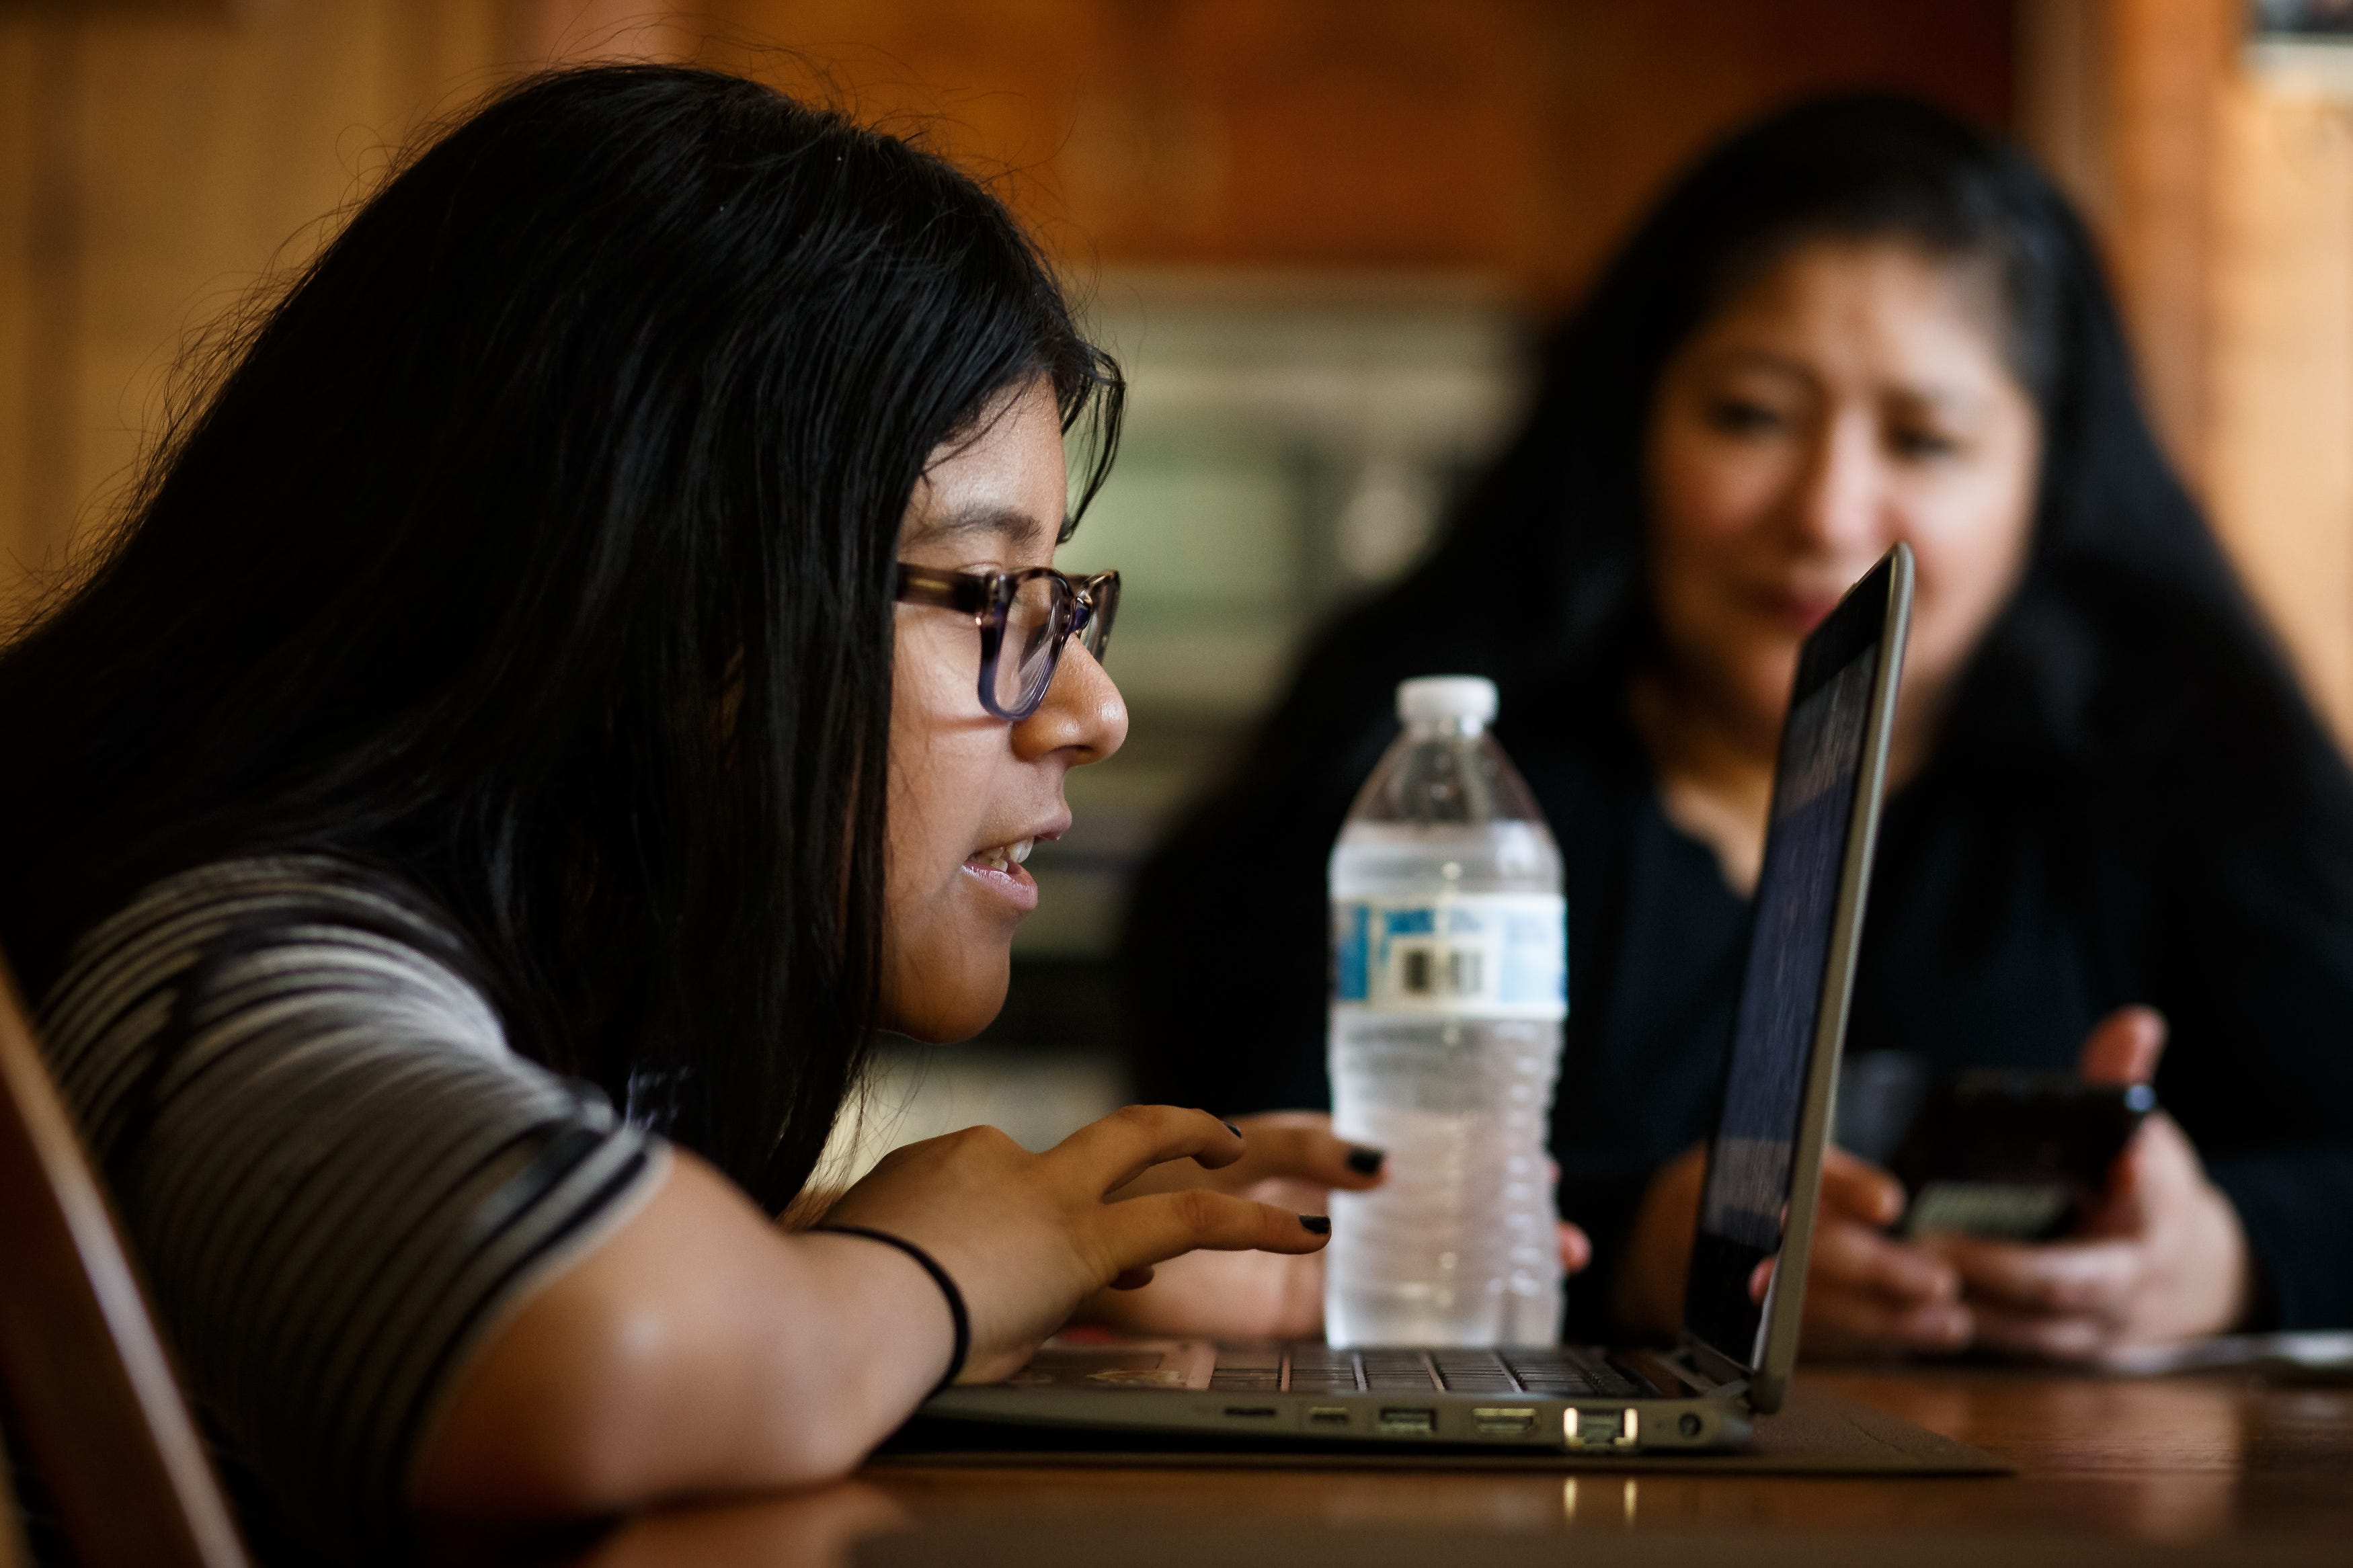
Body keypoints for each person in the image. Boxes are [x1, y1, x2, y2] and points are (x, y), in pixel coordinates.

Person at [0, 65, 1384, 1559]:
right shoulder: (221, 961)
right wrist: (941, 1272)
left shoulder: (559, 972)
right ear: (638, 596)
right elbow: (598, 1355)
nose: (1088, 708)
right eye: (993, 595)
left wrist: (1051, 1245)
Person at [1123, 95, 2353, 1362]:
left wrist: (2228, 1254)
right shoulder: (1431, 770)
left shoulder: (2185, 766)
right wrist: (1637, 1251)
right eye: (1751, 416)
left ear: (2048, 480)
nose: (1827, 512)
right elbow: (1231, 1184)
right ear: (1635, 423)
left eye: (1925, 438)